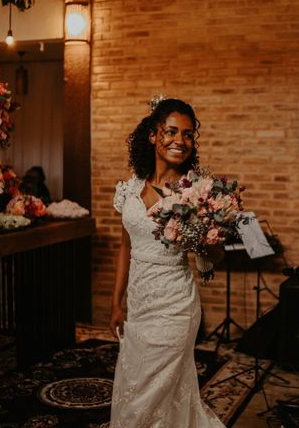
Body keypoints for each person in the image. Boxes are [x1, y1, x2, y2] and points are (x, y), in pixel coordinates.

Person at [109, 98, 224, 427]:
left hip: (175, 303)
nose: (180, 141)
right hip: (139, 302)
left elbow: (215, 256)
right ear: (152, 136)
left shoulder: (196, 193)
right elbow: (125, 246)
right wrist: (116, 302)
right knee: (134, 382)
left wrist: (203, 236)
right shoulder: (131, 188)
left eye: (188, 135)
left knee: (150, 392)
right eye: (171, 131)